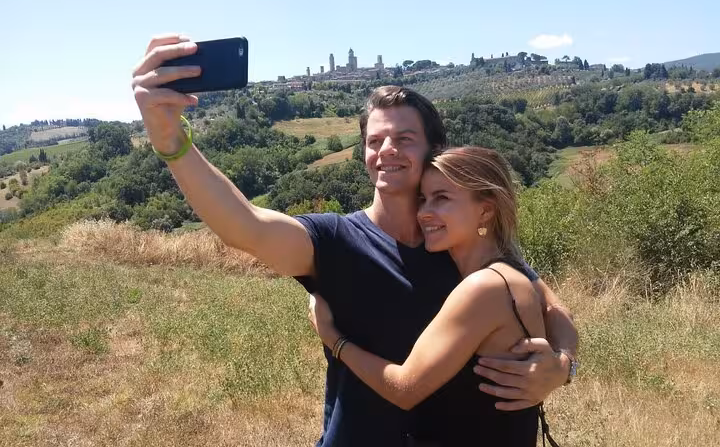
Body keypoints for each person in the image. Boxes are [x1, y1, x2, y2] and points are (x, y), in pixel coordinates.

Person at [131, 34, 578, 447]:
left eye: (404, 138)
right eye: (375, 139)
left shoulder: (459, 243)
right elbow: (244, 226)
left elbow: (549, 306)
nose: (386, 150)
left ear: (433, 149)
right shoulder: (338, 240)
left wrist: (561, 366)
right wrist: (172, 140)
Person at [309, 146, 557, 446]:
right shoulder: (511, 276)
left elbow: (405, 389)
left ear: (485, 210)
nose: (424, 212)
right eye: (423, 199)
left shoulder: (484, 288)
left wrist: (335, 340)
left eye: (442, 198)